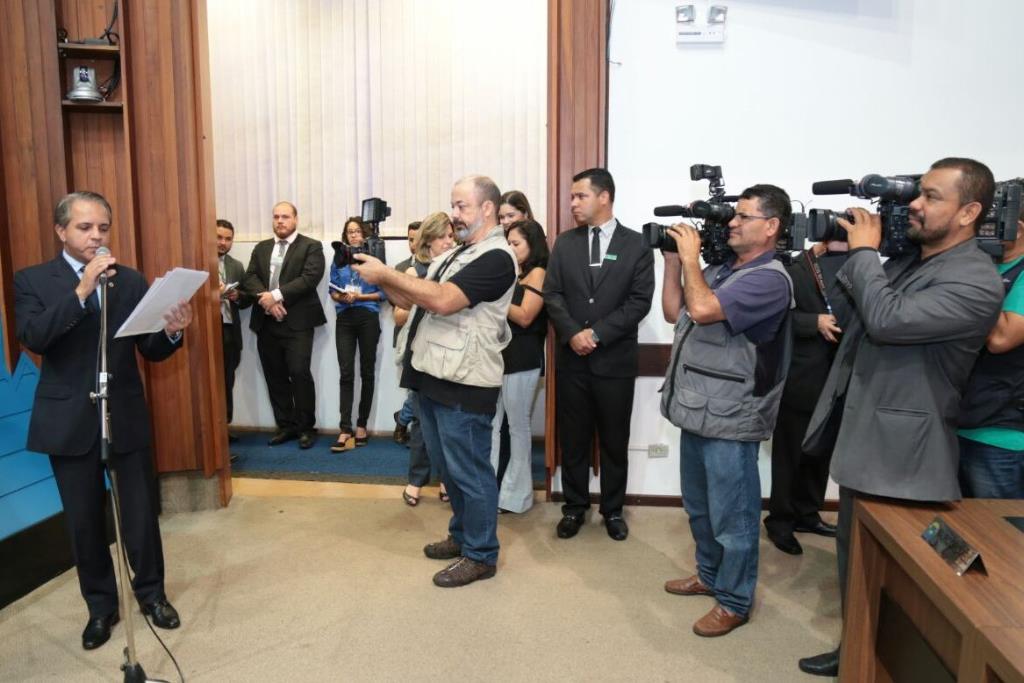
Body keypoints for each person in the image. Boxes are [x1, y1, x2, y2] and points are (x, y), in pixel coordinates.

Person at [798, 158, 1004, 677]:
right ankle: (856, 650)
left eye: (932, 197)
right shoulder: (913, 260)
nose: (914, 204)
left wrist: (866, 253)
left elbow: (888, 321)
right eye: (918, 193)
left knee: (902, 578)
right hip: (867, 435)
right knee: (855, 559)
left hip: (904, 452)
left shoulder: (976, 280)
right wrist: (849, 254)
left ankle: (878, 659)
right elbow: (858, 313)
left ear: (969, 212)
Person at [14, 191, 193, 650]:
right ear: (61, 232)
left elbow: (148, 349)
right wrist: (81, 291)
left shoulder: (128, 281)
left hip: (124, 412)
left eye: (103, 228)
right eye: (85, 228)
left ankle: (152, 595)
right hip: (67, 419)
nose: (96, 237)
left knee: (139, 515)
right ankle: (100, 608)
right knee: (84, 521)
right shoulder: (33, 280)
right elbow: (35, 337)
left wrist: (172, 329)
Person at [353, 176, 517, 588]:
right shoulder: (457, 253)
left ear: (487, 209)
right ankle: (463, 536)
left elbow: (443, 300)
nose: (454, 214)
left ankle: (481, 554)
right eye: (453, 205)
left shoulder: (497, 257)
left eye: (461, 206)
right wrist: (383, 278)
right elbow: (412, 299)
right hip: (431, 376)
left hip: (465, 383)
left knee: (471, 471)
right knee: (449, 468)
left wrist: (388, 272)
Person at [660, 184, 795, 638]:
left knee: (733, 518)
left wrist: (693, 258)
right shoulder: (721, 270)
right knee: (699, 508)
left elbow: (700, 310)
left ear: (771, 226)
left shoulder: (769, 278)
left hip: (732, 417)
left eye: (744, 216)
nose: (732, 223)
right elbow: (673, 309)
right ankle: (710, 577)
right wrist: (674, 261)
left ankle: (735, 601)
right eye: (732, 215)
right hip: (698, 409)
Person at [543, 167, 654, 542]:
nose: (573, 203)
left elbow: (639, 302)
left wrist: (598, 333)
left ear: (604, 196)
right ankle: (574, 507)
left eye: (580, 196)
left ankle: (613, 509)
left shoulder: (637, 245)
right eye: (572, 197)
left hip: (615, 362)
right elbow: (552, 295)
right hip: (572, 360)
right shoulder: (564, 243)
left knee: (613, 440)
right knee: (573, 439)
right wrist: (573, 333)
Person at [764, 240, 847, 555]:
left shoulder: (853, 268)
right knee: (789, 455)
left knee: (821, 452)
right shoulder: (790, 268)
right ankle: (781, 521)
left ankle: (808, 513)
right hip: (799, 379)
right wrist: (814, 322)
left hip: (836, 379)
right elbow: (774, 317)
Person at [244, 201, 326, 450]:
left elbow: (310, 278)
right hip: (266, 323)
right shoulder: (261, 248)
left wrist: (276, 296)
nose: (280, 221)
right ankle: (286, 425)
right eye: (276, 217)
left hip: (298, 323)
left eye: (285, 217)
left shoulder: (311, 246)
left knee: (299, 373)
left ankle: (305, 428)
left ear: (295, 219)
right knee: (275, 375)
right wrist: (266, 301)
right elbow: (250, 277)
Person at [957, 200, 1024, 499]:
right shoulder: (991, 268)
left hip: (1000, 434)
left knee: (998, 537)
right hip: (960, 420)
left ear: (1017, 228)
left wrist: (977, 276)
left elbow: (1001, 339)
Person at [397, 212, 455, 505]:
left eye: (451, 236)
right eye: (443, 236)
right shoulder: (413, 269)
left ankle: (446, 480)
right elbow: (400, 312)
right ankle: (416, 481)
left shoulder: (458, 265)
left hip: (447, 351)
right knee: (421, 421)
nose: (449, 241)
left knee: (445, 421)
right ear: (429, 240)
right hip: (419, 351)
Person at [491, 219, 548, 514]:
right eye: (508, 243)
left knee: (518, 428)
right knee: (494, 427)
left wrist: (495, 300)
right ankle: (493, 491)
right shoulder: (516, 272)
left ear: (532, 244)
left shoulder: (538, 272)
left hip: (524, 359)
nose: (511, 249)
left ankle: (517, 497)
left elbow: (526, 316)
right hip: (501, 357)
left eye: (517, 244)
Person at [329, 216, 387, 452]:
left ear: (364, 234)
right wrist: (342, 296)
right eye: (349, 232)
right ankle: (345, 428)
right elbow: (332, 290)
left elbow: (383, 293)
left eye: (356, 231)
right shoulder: (339, 258)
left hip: (367, 316)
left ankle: (361, 424)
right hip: (344, 317)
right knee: (345, 373)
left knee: (367, 371)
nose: (353, 235)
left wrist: (360, 297)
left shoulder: (374, 259)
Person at [216, 219, 253, 452]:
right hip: (209, 331)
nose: (223, 242)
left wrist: (235, 295)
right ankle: (212, 430)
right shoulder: (198, 263)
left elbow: (248, 298)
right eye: (218, 237)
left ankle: (223, 427)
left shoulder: (236, 265)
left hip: (230, 329)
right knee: (212, 382)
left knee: (227, 380)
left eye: (228, 238)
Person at [392, 221, 420, 445]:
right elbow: (398, 314)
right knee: (416, 390)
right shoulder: (401, 269)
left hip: (430, 339)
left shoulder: (439, 264)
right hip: (406, 339)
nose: (414, 244)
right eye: (410, 239)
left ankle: (402, 419)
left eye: (418, 238)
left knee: (419, 392)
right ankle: (404, 420)